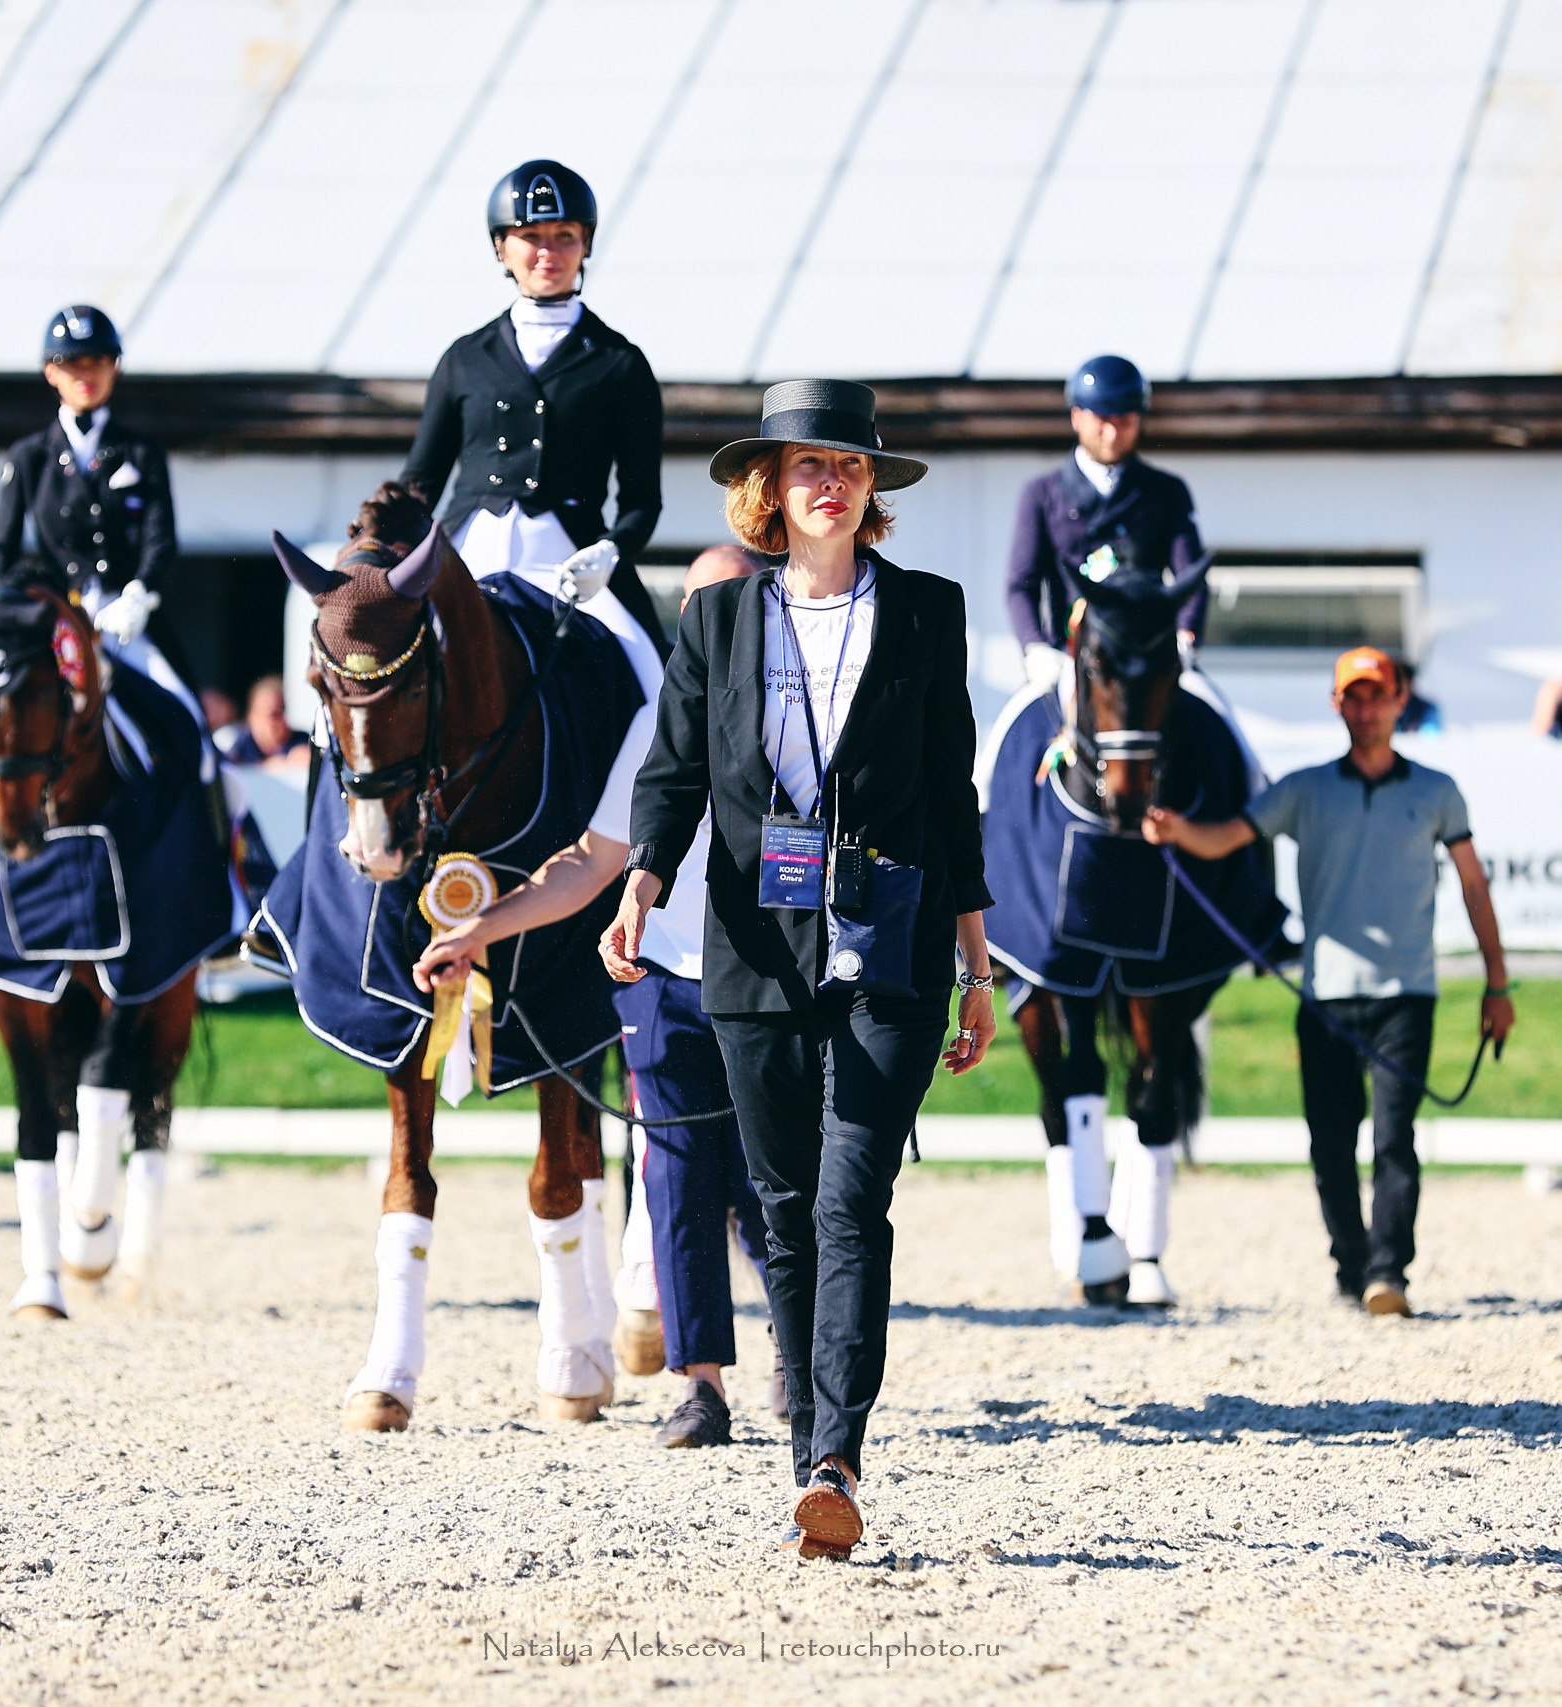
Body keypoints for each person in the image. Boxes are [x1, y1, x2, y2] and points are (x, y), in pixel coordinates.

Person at [607, 381, 997, 1560]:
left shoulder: (930, 613)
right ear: (768, 490)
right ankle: (805, 1459)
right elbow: (674, 770)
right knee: (779, 1209)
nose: (830, 481)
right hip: (754, 945)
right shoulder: (719, 620)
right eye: (806, 464)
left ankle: (837, 1455)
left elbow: (949, 788)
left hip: (892, 943)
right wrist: (640, 884)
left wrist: (975, 960)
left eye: (850, 464)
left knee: (847, 1199)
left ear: (871, 488)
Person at [412, 545, 772, 1450]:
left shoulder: (807, 709)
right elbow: (589, 862)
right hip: (667, 978)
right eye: (698, 605)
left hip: (778, 979)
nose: (713, 621)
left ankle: (805, 1362)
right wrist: (478, 930)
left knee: (776, 1181)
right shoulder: (659, 721)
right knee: (678, 1182)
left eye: (731, 601)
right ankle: (703, 1386)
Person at [1141, 646, 1515, 1318]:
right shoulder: (1304, 789)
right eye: (1354, 696)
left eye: (1378, 695)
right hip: (1324, 999)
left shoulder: (1438, 791)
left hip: (1407, 996)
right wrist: (1175, 831)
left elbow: (1474, 885)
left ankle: (1387, 1270)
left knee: (1394, 1140)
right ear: (1337, 704)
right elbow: (1228, 836)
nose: (1366, 709)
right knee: (1331, 1146)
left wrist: (1498, 984)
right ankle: (1352, 1264)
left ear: (1401, 701)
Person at [402, 159, 669, 657]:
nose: (548, 251)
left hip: (572, 560)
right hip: (466, 552)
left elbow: (641, 501)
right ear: (501, 247)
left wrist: (609, 553)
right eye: (530, 235)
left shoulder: (621, 363)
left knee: (654, 674)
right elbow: (421, 482)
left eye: (565, 235)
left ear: (586, 244)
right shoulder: (463, 358)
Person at [0, 305, 202, 726]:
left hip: (128, 618)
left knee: (189, 716)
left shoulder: (142, 452)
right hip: (56, 619)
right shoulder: (29, 456)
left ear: (115, 367)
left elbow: (161, 538)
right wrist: (22, 610)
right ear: (50, 371)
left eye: (97, 362)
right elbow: (1, 550)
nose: (85, 375)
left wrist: (140, 595)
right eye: (72, 363)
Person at [1007, 355, 1208, 692]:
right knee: (1009, 734)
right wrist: (1036, 648)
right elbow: (1020, 585)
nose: (1112, 433)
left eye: (1125, 420)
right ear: (1076, 417)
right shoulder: (1041, 494)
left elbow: (1192, 577)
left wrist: (1186, 636)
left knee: (1220, 723)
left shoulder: (1167, 491)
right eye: (1101, 419)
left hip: (1149, 657)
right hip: (1067, 656)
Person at [217, 675, 309, 769]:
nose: (282, 719)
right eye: (274, 714)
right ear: (253, 716)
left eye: (283, 710)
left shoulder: (302, 740)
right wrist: (278, 765)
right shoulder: (240, 747)